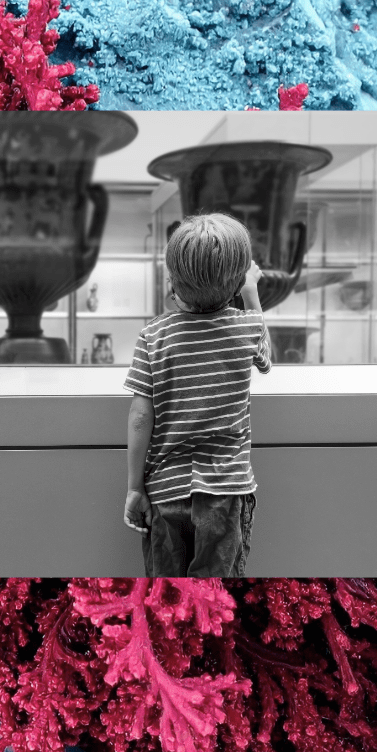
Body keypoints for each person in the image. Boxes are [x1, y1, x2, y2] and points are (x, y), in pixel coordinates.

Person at [122, 213, 272, 577]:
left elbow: (141, 417)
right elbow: (266, 360)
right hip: (226, 492)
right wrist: (250, 292)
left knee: (167, 594)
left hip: (165, 491)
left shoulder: (153, 337)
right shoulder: (247, 328)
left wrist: (135, 487)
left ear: (173, 280)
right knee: (216, 596)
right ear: (237, 281)